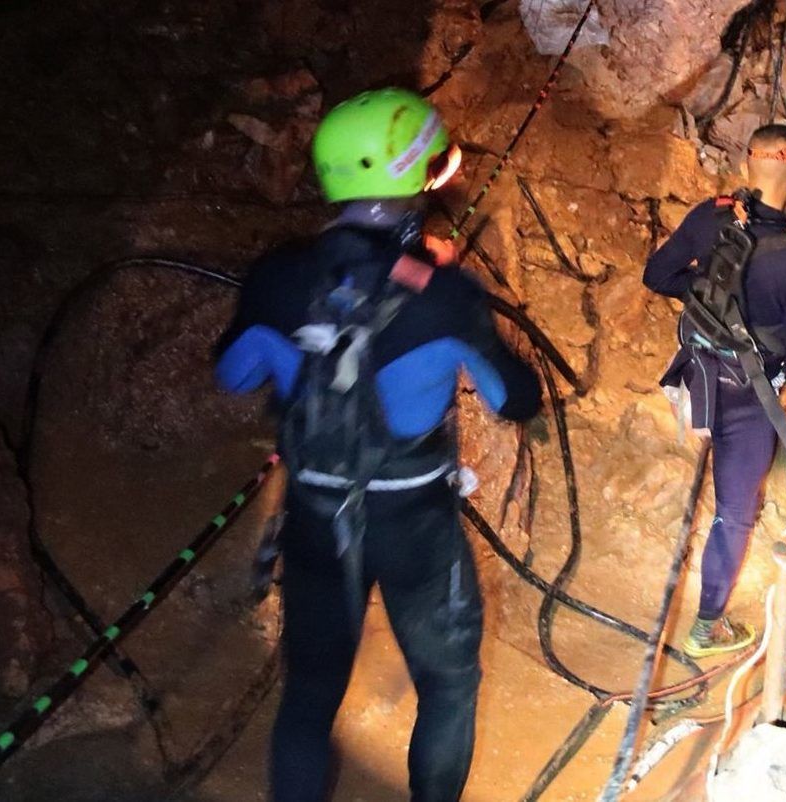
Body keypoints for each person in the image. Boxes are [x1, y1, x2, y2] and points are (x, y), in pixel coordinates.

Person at [214, 88, 541, 801]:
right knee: (449, 684)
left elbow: (233, 375)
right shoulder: (444, 295)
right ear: (417, 173)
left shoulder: (276, 276)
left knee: (309, 693)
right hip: (413, 524)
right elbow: (514, 399)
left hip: (314, 516)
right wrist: (451, 301)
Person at [644, 124, 786, 657]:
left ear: (748, 163)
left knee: (734, 485)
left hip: (697, 372)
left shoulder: (709, 216)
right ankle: (707, 628)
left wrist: (709, 298)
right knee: (734, 511)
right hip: (748, 399)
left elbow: (658, 275)